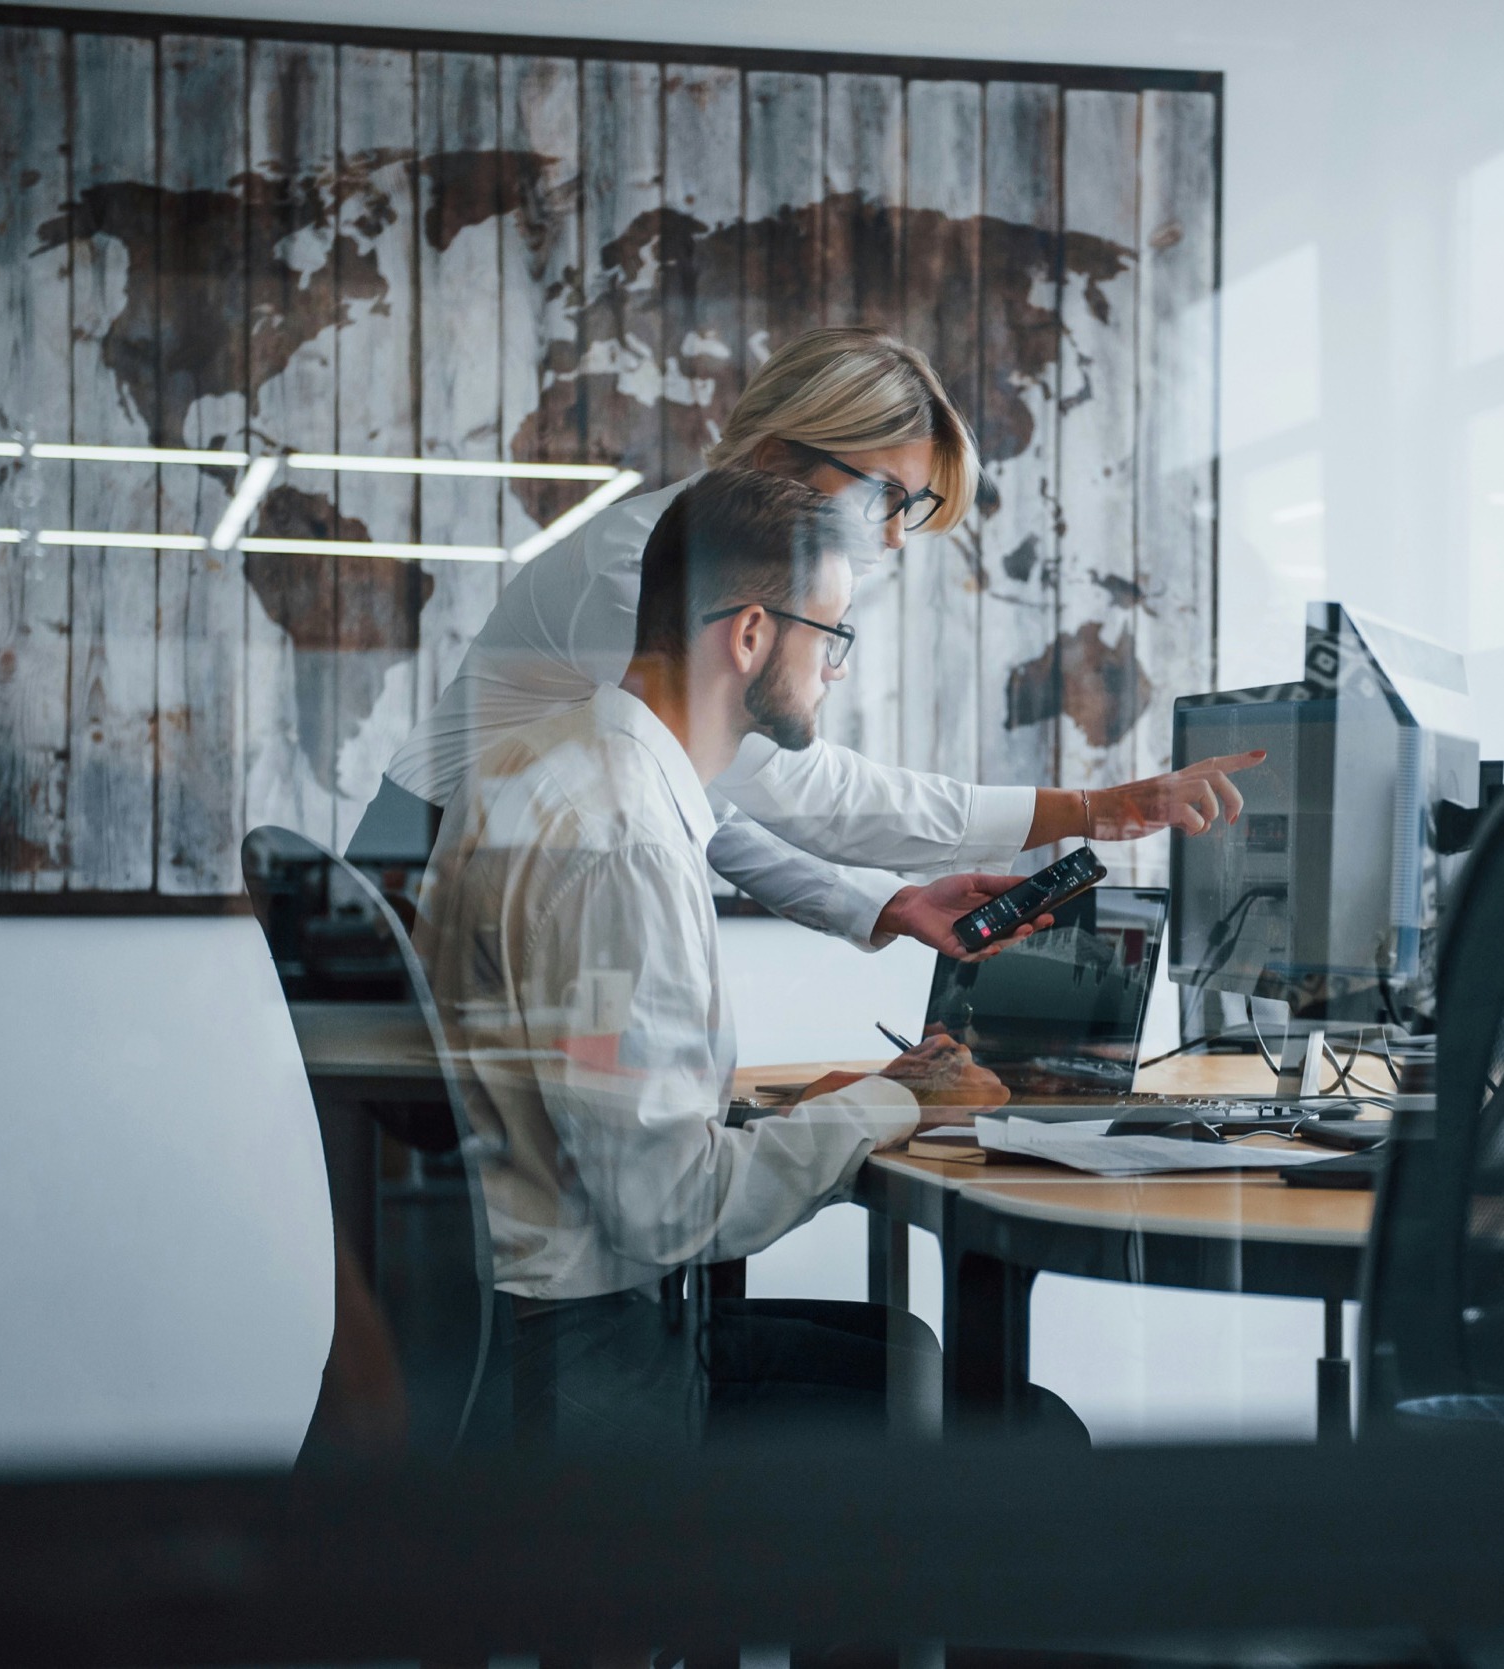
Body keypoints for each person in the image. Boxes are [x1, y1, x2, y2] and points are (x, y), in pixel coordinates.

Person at [415, 468, 1037, 1447]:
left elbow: (599, 1081)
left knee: (917, 1359)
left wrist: (869, 1088)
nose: (836, 668)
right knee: (1019, 1428)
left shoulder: (536, 768)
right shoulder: (620, 842)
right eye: (830, 636)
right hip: (594, 1362)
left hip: (502, 1326)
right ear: (749, 635)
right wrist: (897, 1100)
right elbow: (665, 1206)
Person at [375, 326, 1263, 962]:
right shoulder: (644, 564)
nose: (895, 539)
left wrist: (888, 902)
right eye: (888, 496)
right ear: (775, 455)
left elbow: (710, 813)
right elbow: (805, 795)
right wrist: (1089, 807)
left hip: (482, 874)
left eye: (912, 512)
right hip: (421, 877)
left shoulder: (694, 565)